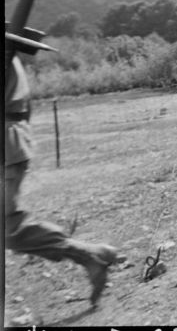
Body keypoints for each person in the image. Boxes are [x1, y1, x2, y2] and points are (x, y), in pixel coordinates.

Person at [4, 25, 125, 307]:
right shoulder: (12, 60)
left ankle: (90, 255)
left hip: (6, 148)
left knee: (7, 229)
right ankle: (91, 254)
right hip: (12, 145)